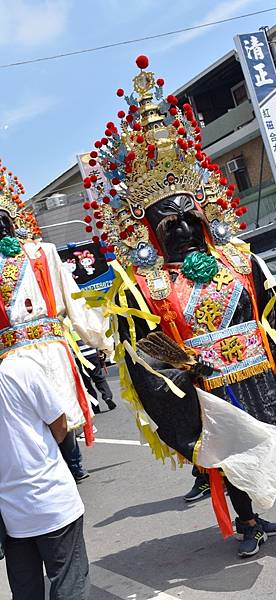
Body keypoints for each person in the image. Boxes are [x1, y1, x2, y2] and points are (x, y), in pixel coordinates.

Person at [79, 56, 276, 557]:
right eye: (171, 224)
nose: (185, 230)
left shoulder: (237, 258)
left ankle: (256, 510)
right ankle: (246, 520)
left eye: (191, 219)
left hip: (254, 373)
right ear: (149, 231)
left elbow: (272, 309)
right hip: (208, 385)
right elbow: (144, 351)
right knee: (229, 455)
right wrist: (179, 376)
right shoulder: (144, 286)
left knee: (268, 447)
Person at [0, 161, 113, 481]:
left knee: (59, 405)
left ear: (13, 220)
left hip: (49, 346)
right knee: (25, 419)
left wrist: (100, 340)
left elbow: (72, 296)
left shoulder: (42, 252)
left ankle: (73, 462)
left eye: (2, 219)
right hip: (8, 355)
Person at [0, 354, 89, 599]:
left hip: (10, 517)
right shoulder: (20, 368)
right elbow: (59, 425)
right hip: (51, 500)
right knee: (69, 583)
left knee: (26, 592)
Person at [76, 340, 116, 413]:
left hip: (78, 356)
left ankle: (94, 406)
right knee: (99, 378)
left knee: (86, 383)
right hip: (91, 353)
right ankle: (107, 396)